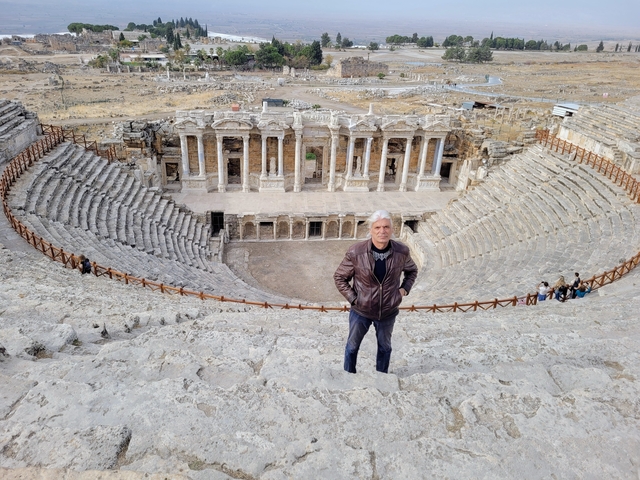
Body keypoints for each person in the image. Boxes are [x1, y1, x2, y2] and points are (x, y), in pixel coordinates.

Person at [334, 210, 418, 374]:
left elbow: (412, 271)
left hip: (388, 311)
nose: (382, 231)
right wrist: (354, 299)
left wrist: (403, 290)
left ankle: (382, 377)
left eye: (386, 227)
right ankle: (348, 376)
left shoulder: (402, 252)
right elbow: (339, 277)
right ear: (371, 230)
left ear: (391, 229)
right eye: (378, 227)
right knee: (352, 347)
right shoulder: (356, 252)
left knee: (385, 348)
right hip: (361, 310)